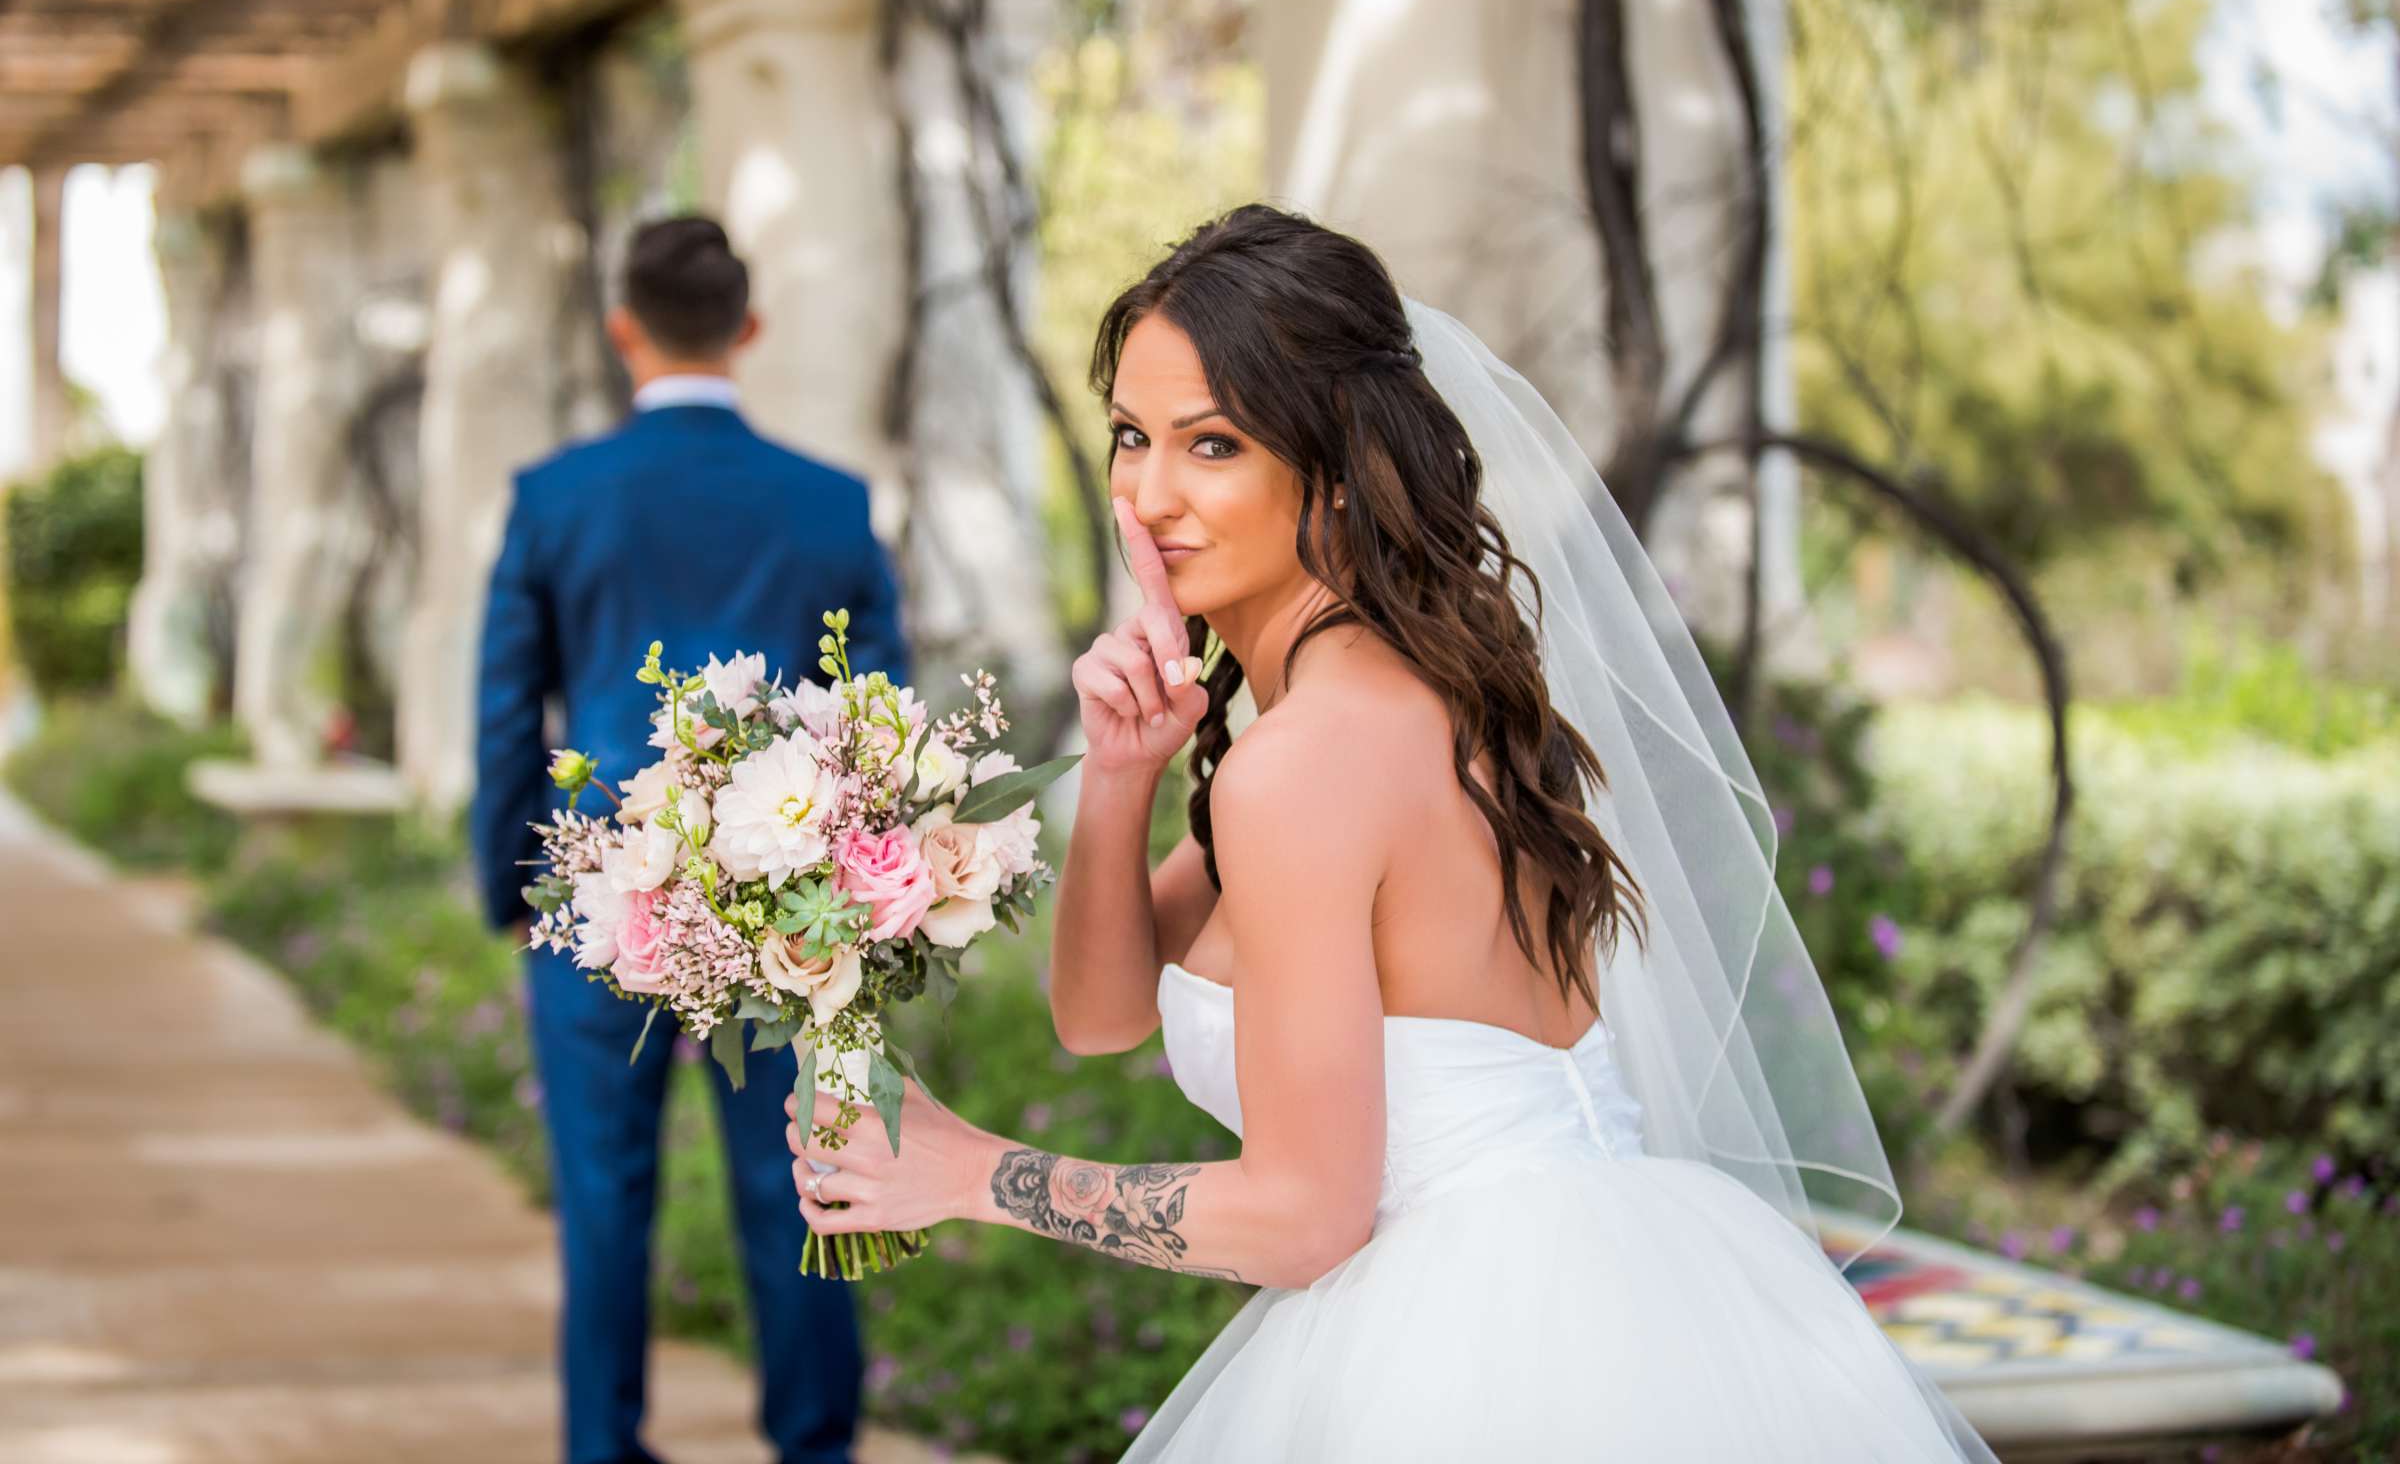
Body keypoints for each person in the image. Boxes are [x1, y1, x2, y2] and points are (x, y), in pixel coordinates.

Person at [779, 205, 1999, 1460]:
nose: (1148, 495)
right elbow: (1103, 1014)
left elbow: (1309, 1218)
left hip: (1482, 1364)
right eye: (1131, 437)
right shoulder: (1418, 695)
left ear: (1341, 465)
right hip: (1634, 1285)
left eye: (1213, 445)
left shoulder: (1303, 766)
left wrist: (976, 1171)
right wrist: (1128, 769)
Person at [471, 215, 906, 1464]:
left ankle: (603, 1446)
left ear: (624, 329)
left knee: (602, 1201)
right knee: (804, 1189)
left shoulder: (555, 499)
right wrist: (869, 902)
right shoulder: (830, 503)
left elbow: (509, 706)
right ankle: (814, 1446)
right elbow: (876, 715)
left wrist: (513, 878)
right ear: (749, 329)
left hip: (603, 898)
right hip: (798, 913)